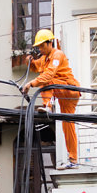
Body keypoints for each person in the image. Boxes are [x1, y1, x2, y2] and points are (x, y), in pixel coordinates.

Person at [21, 28, 81, 170]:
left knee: (47, 80)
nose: (40, 49)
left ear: (50, 43)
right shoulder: (43, 59)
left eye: (42, 46)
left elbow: (47, 76)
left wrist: (31, 83)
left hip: (70, 90)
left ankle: (48, 105)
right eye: (39, 46)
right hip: (62, 96)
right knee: (68, 126)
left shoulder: (57, 55)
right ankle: (73, 160)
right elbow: (37, 67)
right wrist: (30, 61)